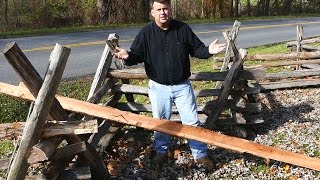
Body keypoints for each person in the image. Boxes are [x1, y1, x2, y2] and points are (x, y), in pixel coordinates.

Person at [114, 0, 225, 168]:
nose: (162, 12)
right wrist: (128, 56)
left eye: (165, 8)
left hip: (182, 87)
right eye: (158, 9)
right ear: (152, 12)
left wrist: (209, 51)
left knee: (192, 122)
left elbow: (197, 49)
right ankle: (161, 151)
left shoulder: (182, 29)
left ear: (170, 10)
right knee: (160, 122)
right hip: (158, 88)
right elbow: (137, 55)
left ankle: (200, 155)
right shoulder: (146, 33)